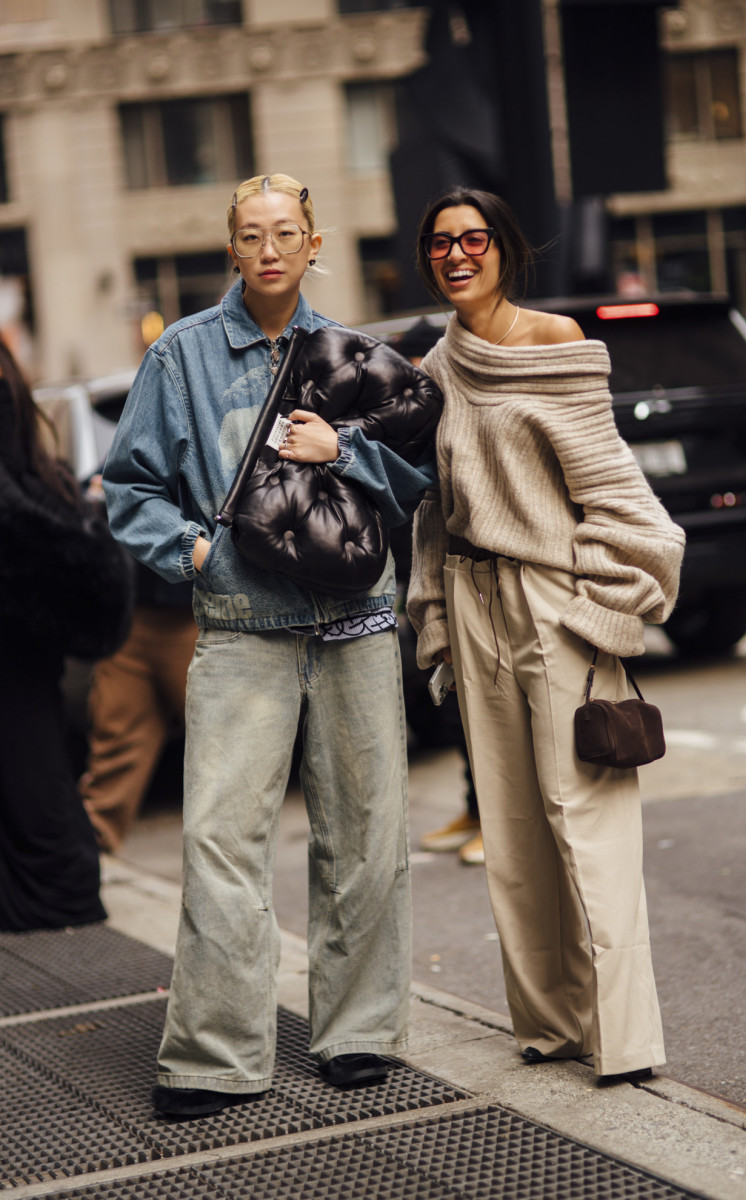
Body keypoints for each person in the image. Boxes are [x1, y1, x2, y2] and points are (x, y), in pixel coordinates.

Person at [102, 173, 439, 1119]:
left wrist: (348, 452)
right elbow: (128, 487)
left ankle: (360, 1032)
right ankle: (215, 1054)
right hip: (244, 624)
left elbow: (413, 475)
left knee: (365, 835)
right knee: (219, 839)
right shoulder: (182, 357)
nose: (270, 250)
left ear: (313, 241)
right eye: (251, 235)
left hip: (354, 620)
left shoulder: (353, 356)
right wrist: (195, 551)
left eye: (285, 232)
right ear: (232, 248)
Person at [407, 187, 686, 1085]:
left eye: (473, 239)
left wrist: (602, 616)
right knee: (517, 832)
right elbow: (432, 516)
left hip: (552, 604)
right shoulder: (434, 367)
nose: (456, 255)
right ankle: (550, 1025)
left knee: (587, 820)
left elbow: (621, 501)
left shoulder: (553, 347)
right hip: (473, 599)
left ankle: (625, 1039)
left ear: (505, 250)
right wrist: (439, 624)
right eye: (440, 243)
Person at [0, 339, 131, 931]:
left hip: (25, 691)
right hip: (25, 696)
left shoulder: (34, 487)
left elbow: (88, 602)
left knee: (53, 854)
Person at [391, 319, 483, 866]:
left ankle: (497, 819)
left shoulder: (458, 406)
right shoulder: (407, 414)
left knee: (478, 703)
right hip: (423, 576)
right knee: (452, 701)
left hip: (467, 571)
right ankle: (476, 808)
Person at [80, 542, 198, 855]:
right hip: (130, 609)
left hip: (201, 611)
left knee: (230, 766)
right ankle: (80, 880)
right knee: (109, 773)